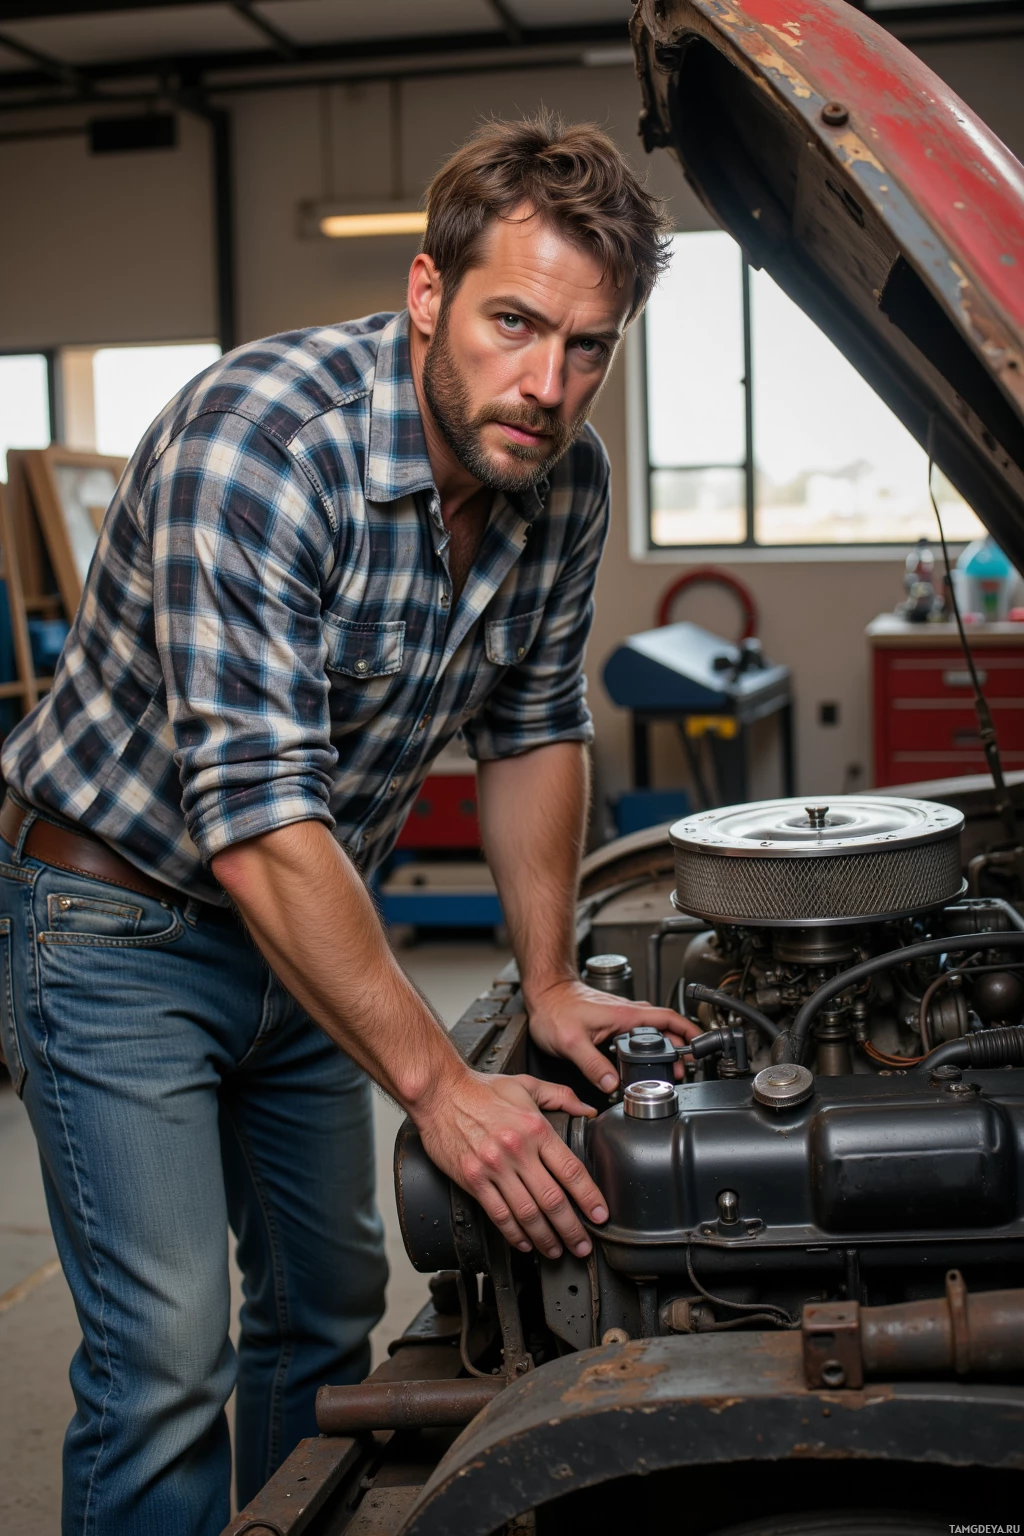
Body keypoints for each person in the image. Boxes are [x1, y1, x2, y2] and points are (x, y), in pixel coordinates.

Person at [0, 112, 693, 1534]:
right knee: (166, 1359)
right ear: (428, 292)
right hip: (116, 921)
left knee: (327, 1319)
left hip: (307, 936)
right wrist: (442, 1087)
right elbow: (255, 822)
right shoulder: (261, 443)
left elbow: (536, 726)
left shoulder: (562, 480)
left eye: (587, 348)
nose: (547, 384)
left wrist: (552, 979)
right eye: (512, 323)